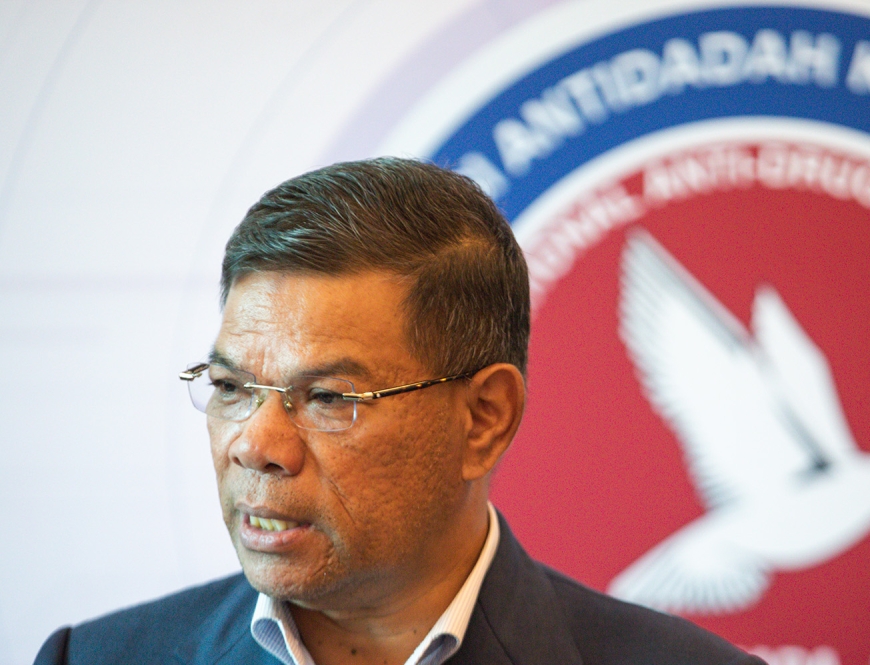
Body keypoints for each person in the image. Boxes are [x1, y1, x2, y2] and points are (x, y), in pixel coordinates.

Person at [34, 158, 762, 665]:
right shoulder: (92, 656)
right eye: (230, 388)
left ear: (484, 418)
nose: (256, 444)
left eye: (327, 398)